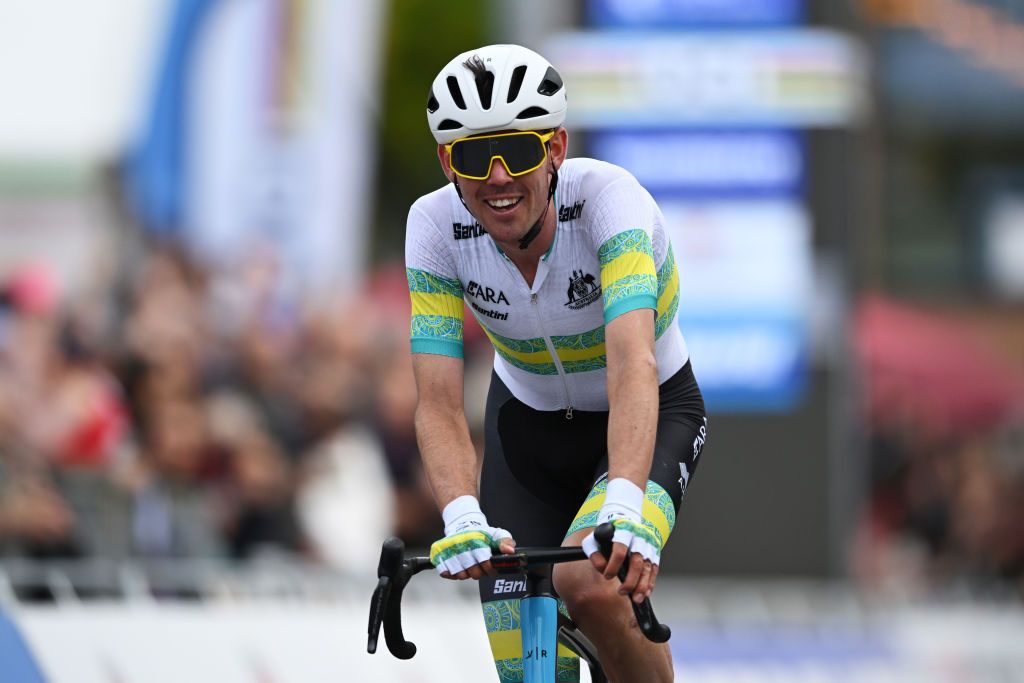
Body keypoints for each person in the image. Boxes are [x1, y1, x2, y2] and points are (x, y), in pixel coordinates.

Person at [405, 44, 708, 683]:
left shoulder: (609, 202)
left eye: (516, 153)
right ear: (446, 163)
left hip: (647, 410)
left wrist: (626, 503)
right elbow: (436, 400)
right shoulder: (431, 227)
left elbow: (632, 363)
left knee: (590, 582)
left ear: (556, 149)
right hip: (528, 425)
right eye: (471, 157)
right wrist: (460, 512)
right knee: (524, 661)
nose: (496, 179)